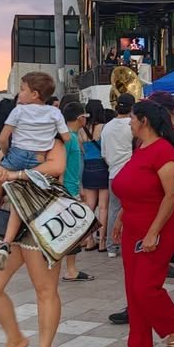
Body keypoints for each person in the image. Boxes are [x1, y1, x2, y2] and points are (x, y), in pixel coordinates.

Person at [0, 140, 68, 347]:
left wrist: (15, 173)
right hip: (8, 218)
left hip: (41, 218)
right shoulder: (13, 144)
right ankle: (15, 339)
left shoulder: (53, 143)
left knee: (45, 291)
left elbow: (57, 167)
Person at [109, 101, 174, 347]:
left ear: (144, 121)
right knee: (133, 288)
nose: (129, 122)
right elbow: (135, 187)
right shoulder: (140, 148)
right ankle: (139, 346)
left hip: (157, 228)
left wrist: (153, 232)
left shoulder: (163, 151)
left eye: (132, 117)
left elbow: (171, 195)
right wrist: (120, 217)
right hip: (133, 225)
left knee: (145, 287)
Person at [0, 73, 70, 270]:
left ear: (34, 94)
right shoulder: (54, 113)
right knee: (20, 195)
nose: (19, 93)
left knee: (0, 182)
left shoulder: (19, 111)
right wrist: (51, 142)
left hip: (17, 154)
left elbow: (2, 138)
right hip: (39, 156)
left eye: (22, 89)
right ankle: (6, 243)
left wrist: (8, 154)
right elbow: (66, 137)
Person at [60, 103, 94, 282]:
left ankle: (71, 268)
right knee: (72, 232)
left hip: (72, 187)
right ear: (80, 118)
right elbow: (61, 165)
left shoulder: (72, 136)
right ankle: (70, 270)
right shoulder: (68, 138)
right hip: (67, 190)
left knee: (74, 231)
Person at [102, 92, 137, 258]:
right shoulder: (132, 126)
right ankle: (128, 243)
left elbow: (104, 154)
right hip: (130, 173)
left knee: (113, 210)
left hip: (113, 173)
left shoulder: (107, 127)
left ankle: (111, 247)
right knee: (131, 209)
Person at [80, 100, 109, 251]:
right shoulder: (104, 128)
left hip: (87, 168)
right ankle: (103, 241)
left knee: (89, 207)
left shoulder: (81, 130)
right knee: (103, 207)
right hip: (102, 167)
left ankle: (89, 239)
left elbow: (82, 151)